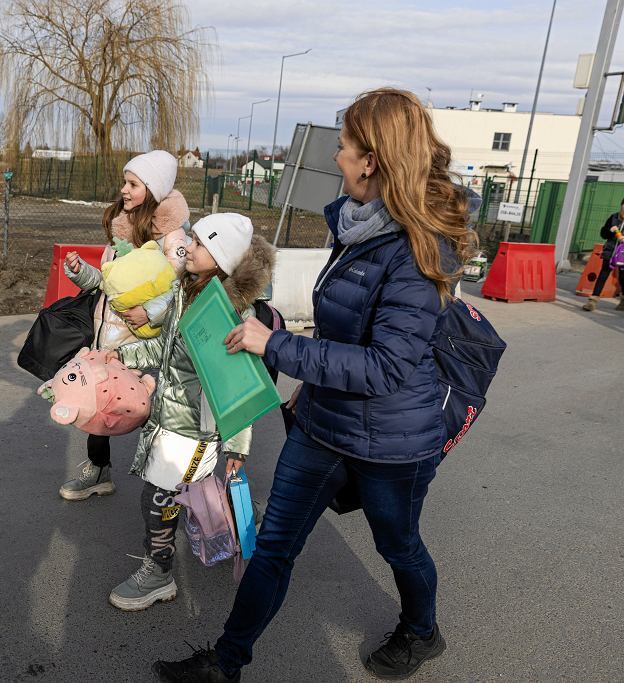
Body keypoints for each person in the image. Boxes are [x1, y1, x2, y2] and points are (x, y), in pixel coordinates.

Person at [154, 88, 476, 681]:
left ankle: (422, 629)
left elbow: (386, 366)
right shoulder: (356, 227)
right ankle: (226, 664)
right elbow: (341, 325)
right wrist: (281, 338)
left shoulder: (419, 248)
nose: (338, 157)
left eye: (346, 146)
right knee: (274, 546)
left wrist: (277, 347)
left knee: (398, 546)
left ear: (373, 159)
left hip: (393, 442)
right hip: (326, 424)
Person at [104, 213, 274, 611]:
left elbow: (236, 387)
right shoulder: (187, 291)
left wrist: (237, 450)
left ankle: (159, 572)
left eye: (198, 243)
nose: (188, 248)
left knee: (159, 497)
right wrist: (120, 355)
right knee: (184, 494)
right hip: (168, 416)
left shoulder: (231, 314)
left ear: (220, 257)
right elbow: (162, 349)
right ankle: (244, 520)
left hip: (195, 428)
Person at [59, 150, 191, 501]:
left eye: (132, 184)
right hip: (109, 337)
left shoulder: (173, 238)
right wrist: (78, 272)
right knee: (98, 403)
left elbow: (181, 289)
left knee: (153, 410)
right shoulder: (121, 229)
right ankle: (99, 470)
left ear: (152, 188)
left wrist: (151, 312)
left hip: (147, 343)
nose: (124, 190)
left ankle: (176, 484)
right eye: (125, 183)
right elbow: (105, 283)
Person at [581, 200, 624, 312]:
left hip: (623, 253)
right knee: (603, 274)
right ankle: (592, 301)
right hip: (610, 251)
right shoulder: (613, 217)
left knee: (623, 277)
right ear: (621, 206)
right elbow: (603, 234)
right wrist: (611, 231)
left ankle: (623, 301)